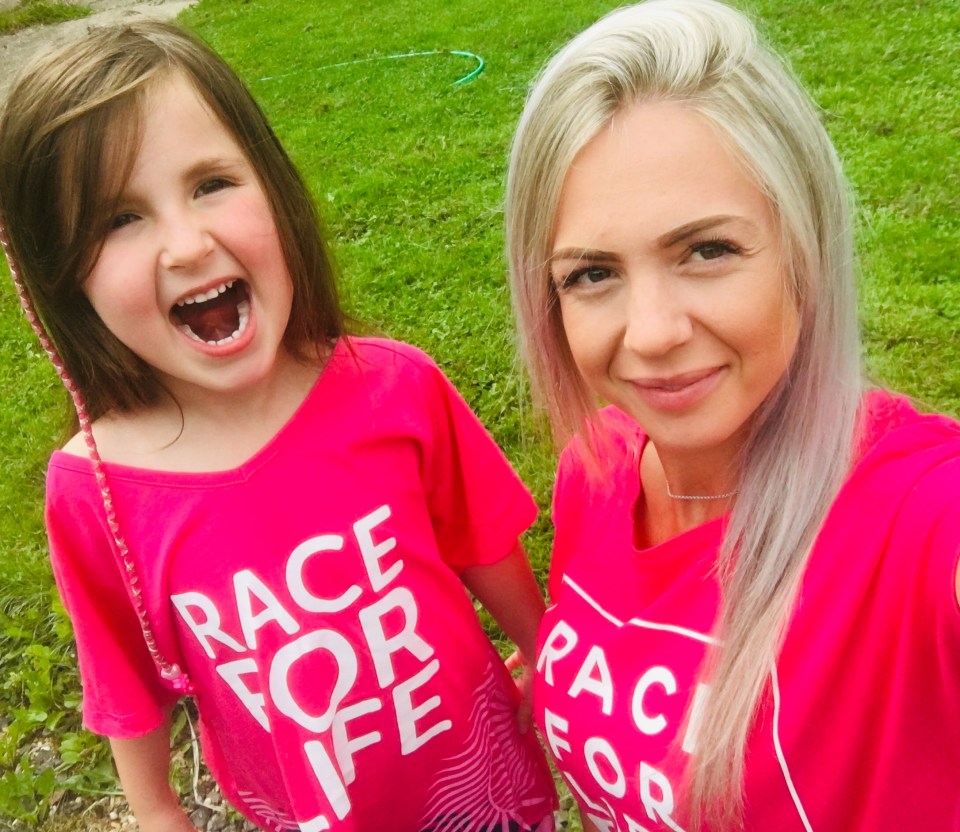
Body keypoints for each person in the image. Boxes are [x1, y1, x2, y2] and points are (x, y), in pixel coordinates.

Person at [0, 20, 557, 832]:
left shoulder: (395, 386)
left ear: (277, 186)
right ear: (63, 276)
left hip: (487, 795)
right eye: (119, 219)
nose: (187, 244)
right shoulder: (94, 492)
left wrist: (545, 648)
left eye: (211, 182)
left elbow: (481, 541)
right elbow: (124, 681)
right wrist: (157, 809)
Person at [505, 1, 960, 830]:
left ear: (804, 248)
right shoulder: (599, 466)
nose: (652, 334)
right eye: (592, 274)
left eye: (707, 251)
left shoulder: (914, 517)